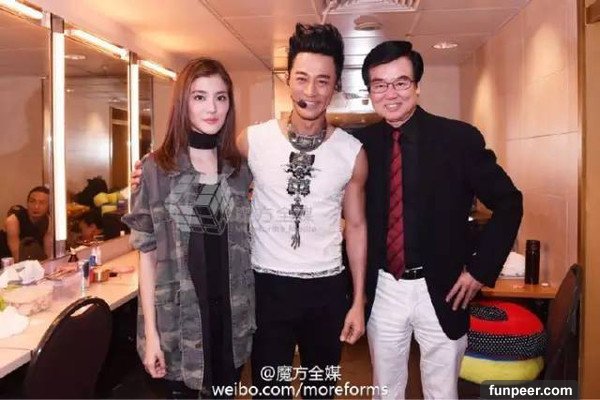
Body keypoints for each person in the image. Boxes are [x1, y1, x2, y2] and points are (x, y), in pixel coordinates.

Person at [354, 41, 523, 399]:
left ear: (417, 86)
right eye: (380, 84)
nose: (391, 94)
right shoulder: (359, 145)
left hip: (445, 288)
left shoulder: (458, 139)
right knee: (385, 391)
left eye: (401, 82)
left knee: (442, 392)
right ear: (369, 91)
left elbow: (510, 202)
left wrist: (479, 270)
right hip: (384, 287)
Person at [236, 23, 367, 399]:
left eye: (323, 81)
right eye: (302, 78)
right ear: (287, 79)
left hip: (326, 290)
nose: (311, 92)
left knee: (320, 390)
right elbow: (206, 173)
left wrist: (358, 301)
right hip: (268, 287)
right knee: (269, 390)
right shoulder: (253, 141)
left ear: (336, 85)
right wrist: (155, 166)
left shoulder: (352, 153)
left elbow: (356, 227)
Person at [122, 57, 255, 399]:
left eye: (221, 97)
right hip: (179, 325)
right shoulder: (157, 170)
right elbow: (147, 259)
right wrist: (151, 334)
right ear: (183, 102)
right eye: (199, 97)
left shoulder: (238, 171)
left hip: (229, 322)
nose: (212, 108)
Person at [4, 186, 52, 261]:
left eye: (42, 203)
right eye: (32, 201)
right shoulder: (13, 220)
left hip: (34, 260)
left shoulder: (48, 221)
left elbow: (48, 254)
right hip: (9, 262)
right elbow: (17, 257)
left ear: (49, 206)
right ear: (27, 203)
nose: (36, 207)